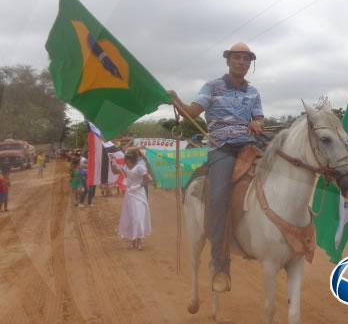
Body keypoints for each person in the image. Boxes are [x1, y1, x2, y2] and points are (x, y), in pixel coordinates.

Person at [169, 42, 264, 293]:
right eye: (237, 57)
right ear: (228, 60)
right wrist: (177, 100)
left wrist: (257, 123)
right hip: (221, 148)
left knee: (281, 177)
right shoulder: (211, 87)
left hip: (248, 147)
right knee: (219, 197)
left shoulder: (253, 92)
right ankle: (220, 265)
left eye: (246, 59)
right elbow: (192, 111)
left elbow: (259, 117)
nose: (241, 62)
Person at [111, 151, 152, 250]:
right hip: (129, 195)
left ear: (130, 160)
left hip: (139, 194)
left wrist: (137, 186)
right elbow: (115, 171)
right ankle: (133, 241)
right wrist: (112, 161)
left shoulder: (140, 167)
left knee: (139, 218)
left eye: (126, 160)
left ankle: (140, 241)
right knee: (131, 217)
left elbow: (149, 179)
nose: (125, 161)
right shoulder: (125, 167)